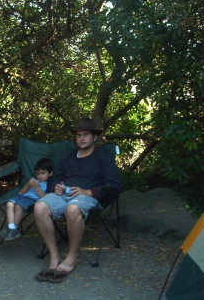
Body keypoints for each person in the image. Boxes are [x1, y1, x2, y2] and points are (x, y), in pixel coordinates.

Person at [33, 118, 122, 283]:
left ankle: (72, 257)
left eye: (86, 135)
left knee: (73, 209)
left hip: (86, 196)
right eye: (79, 135)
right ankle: (54, 257)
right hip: (63, 194)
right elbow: (55, 178)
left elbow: (115, 186)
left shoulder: (103, 158)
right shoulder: (68, 156)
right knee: (39, 207)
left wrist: (88, 191)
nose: (81, 138)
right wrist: (55, 187)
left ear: (94, 137)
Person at [0, 158, 54, 241]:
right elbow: (22, 192)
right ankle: (11, 228)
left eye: (43, 173)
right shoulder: (33, 180)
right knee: (9, 203)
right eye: (38, 173)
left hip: (31, 200)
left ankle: (14, 228)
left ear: (50, 173)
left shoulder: (49, 185)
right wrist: (28, 184)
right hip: (22, 196)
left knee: (18, 206)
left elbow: (44, 198)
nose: (40, 176)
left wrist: (36, 187)